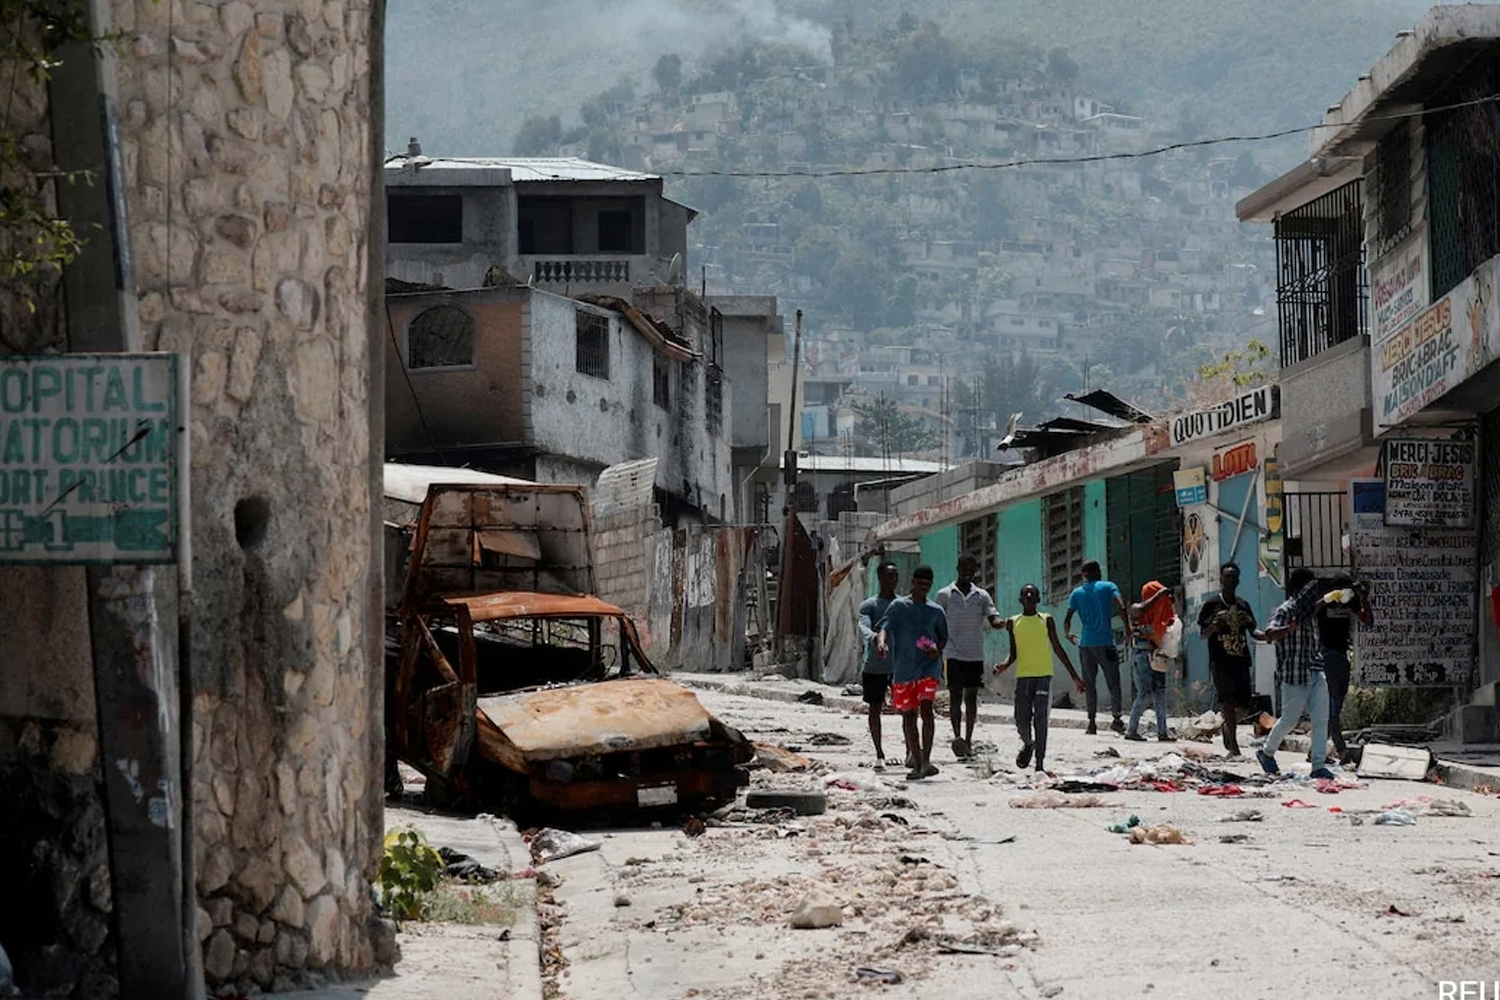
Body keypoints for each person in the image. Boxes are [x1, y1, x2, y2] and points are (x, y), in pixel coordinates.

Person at [994, 584, 1084, 774]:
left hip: (1043, 676)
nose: (1028, 595)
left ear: (1037, 599)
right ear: (1020, 599)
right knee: (1021, 719)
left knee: (1041, 720)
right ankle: (1028, 743)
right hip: (1023, 678)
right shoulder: (1013, 623)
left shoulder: (1046, 620)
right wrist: (1004, 665)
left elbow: (1058, 649)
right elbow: (1014, 653)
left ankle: (1040, 764)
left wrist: (1075, 677)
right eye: (1025, 593)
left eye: (1032, 593)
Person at [1256, 568, 1336, 780]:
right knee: (1289, 720)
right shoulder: (1285, 610)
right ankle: (1266, 752)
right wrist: (1288, 629)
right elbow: (1270, 635)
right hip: (1294, 674)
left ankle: (1318, 765)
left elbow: (1317, 606)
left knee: (1321, 719)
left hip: (1315, 669)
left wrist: (1331, 597)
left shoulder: (1308, 610)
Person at [876, 564, 949, 781]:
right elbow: (885, 628)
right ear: (913, 583)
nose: (923, 588)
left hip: (928, 668)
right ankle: (916, 760)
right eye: (920, 584)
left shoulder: (936, 611)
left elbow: (943, 637)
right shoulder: (899, 606)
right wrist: (881, 643)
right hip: (904, 669)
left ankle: (926, 761)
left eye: (927, 585)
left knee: (927, 710)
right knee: (909, 716)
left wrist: (938, 650)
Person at [934, 555, 1005, 759]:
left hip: (975, 654)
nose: (967, 571)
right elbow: (937, 622)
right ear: (957, 568)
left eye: (971, 569)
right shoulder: (945, 595)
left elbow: (993, 617)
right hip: (952, 653)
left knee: (971, 698)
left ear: (975, 570)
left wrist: (1002, 623)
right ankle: (957, 738)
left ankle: (969, 739)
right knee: (955, 697)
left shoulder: (981, 595)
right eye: (964, 568)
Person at [1197, 562, 1258, 756]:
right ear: (1221, 579)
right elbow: (1202, 633)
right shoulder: (1211, 605)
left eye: (1234, 576)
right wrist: (1213, 628)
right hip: (1220, 660)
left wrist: (1269, 635)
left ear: (1238, 580)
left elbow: (1253, 629)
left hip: (1241, 659)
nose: (1231, 579)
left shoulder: (1243, 605)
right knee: (1227, 702)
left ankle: (1226, 726)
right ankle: (1233, 744)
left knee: (1245, 704)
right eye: (1228, 576)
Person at [1063, 559, 1127, 735]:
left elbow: (1067, 618)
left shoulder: (1076, 594)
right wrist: (1128, 629)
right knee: (1113, 682)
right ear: (1098, 572)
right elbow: (1121, 606)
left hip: (1086, 645)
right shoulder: (1108, 587)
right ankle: (1116, 719)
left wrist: (1068, 634)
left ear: (1084, 575)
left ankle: (1091, 723)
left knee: (1090, 684)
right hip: (1106, 643)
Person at [1317, 573, 1373, 764]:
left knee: (1337, 704)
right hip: (1327, 655)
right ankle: (1340, 748)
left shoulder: (1349, 602)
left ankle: (1318, 748)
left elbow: (1367, 620)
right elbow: (1311, 611)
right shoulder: (1325, 603)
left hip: (1342, 655)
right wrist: (1328, 598)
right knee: (1332, 704)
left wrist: (1362, 597)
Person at [857, 561, 900, 769]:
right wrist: (876, 639)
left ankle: (911, 752)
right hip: (875, 666)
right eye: (889, 576)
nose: (893, 580)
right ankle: (879, 753)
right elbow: (864, 627)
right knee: (875, 709)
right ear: (880, 577)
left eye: (895, 576)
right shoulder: (869, 605)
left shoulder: (902, 605)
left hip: (900, 666)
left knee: (908, 709)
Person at [1125, 581, 1176, 742]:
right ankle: (1131, 730)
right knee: (1144, 693)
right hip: (1142, 654)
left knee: (1159, 693)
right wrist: (1159, 596)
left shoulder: (1158, 614)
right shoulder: (1136, 608)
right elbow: (1140, 610)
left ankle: (1163, 732)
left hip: (1157, 655)